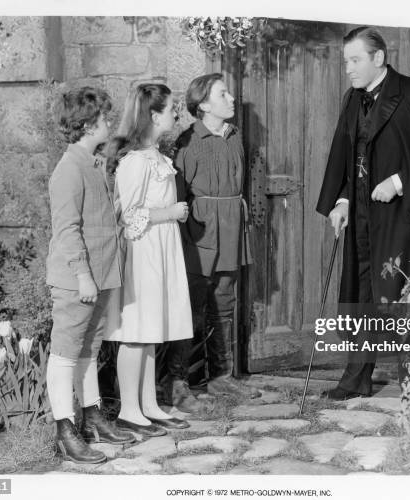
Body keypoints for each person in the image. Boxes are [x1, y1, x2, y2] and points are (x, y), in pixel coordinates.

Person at [316, 27, 410, 400]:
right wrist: (342, 200)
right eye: (346, 60)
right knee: (363, 294)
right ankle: (356, 378)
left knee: (404, 296)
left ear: (378, 58)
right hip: (362, 216)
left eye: (355, 60)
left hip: (400, 217)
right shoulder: (353, 99)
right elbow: (349, 157)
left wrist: (397, 182)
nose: (347, 68)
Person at [46, 87, 135, 464]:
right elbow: (66, 230)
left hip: (99, 277)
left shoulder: (92, 163)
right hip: (77, 280)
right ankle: (66, 430)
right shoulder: (68, 169)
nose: (108, 123)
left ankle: (93, 417)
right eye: (102, 118)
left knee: (90, 349)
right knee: (66, 352)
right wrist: (83, 275)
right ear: (85, 124)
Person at [105, 84, 193, 432]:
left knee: (150, 330)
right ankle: (129, 409)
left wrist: (170, 214)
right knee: (136, 330)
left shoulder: (155, 156)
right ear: (153, 115)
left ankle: (149, 404)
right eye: (172, 108)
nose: (176, 113)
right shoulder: (135, 161)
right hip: (143, 252)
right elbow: (128, 215)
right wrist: (170, 211)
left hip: (160, 249)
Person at [167, 73, 259, 405]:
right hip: (199, 231)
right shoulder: (188, 141)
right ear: (204, 104)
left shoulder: (235, 137)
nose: (232, 98)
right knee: (191, 307)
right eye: (223, 94)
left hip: (231, 229)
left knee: (225, 303)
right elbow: (177, 193)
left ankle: (222, 377)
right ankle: (179, 383)